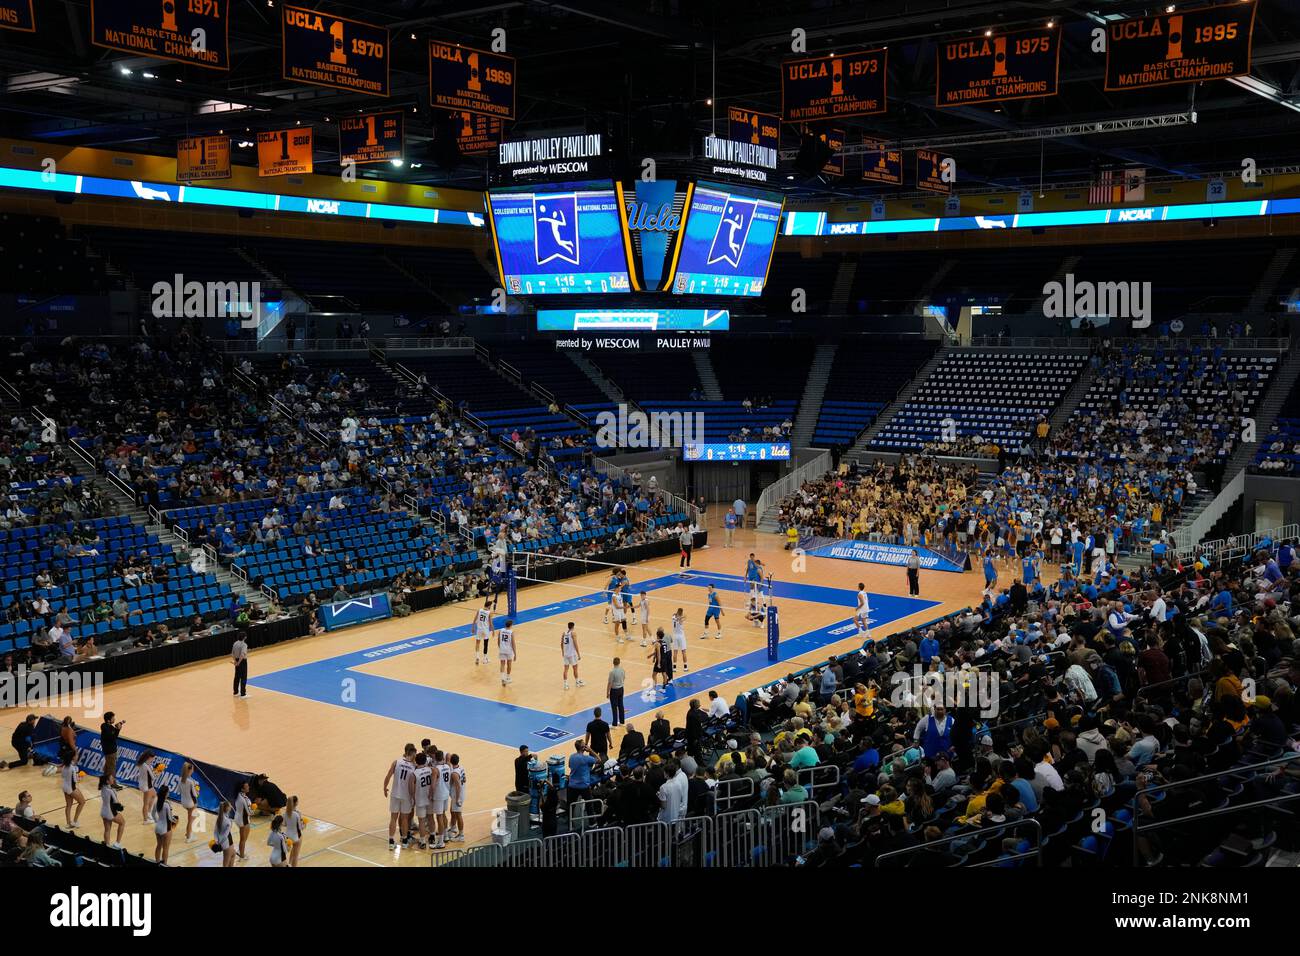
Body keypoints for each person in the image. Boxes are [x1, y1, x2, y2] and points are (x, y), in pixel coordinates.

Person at [384, 743, 417, 848]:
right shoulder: (413, 767)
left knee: (393, 818)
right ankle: (404, 841)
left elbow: (388, 775)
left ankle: (391, 841)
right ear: (412, 754)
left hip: (395, 794)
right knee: (404, 819)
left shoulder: (396, 762)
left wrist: (384, 787)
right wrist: (414, 797)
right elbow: (414, 784)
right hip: (406, 796)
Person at [99, 773, 124, 849]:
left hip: (103, 811)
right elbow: (116, 802)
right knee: (122, 822)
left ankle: (107, 846)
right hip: (110, 812)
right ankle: (117, 843)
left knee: (107, 829)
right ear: (107, 781)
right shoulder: (111, 790)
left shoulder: (103, 787)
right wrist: (121, 807)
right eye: (112, 779)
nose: (113, 779)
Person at [153, 784, 177, 864]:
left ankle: (157, 862)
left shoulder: (156, 802)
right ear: (166, 793)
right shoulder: (167, 804)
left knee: (158, 846)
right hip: (166, 829)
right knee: (166, 848)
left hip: (157, 827)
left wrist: (158, 821)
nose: (169, 793)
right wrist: (175, 820)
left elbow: (153, 814)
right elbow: (170, 818)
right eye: (168, 792)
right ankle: (165, 865)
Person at [177, 761, 200, 842]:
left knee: (190, 818)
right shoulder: (191, 781)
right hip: (191, 803)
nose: (193, 771)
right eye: (192, 769)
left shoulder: (180, 779)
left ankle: (188, 833)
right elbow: (195, 794)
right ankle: (189, 837)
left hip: (183, 802)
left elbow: (178, 791)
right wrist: (197, 790)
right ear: (190, 771)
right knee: (191, 820)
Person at [61, 759, 86, 829]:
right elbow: (75, 780)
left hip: (64, 787)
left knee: (68, 805)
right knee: (82, 802)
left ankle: (68, 823)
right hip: (71, 788)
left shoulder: (64, 766)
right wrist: (80, 777)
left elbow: (62, 776)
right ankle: (75, 821)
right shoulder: (72, 768)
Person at [448, 754, 467, 842]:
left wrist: (458, 798)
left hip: (457, 795)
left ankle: (461, 835)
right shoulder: (461, 768)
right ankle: (453, 828)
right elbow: (464, 779)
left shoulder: (454, 774)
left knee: (458, 815)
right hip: (460, 793)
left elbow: (458, 786)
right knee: (452, 811)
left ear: (451, 761)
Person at [213, 799, 237, 867]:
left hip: (225, 842)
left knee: (233, 854)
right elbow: (226, 835)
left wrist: (217, 841)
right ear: (227, 808)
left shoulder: (219, 818)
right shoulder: (228, 821)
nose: (231, 807)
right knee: (226, 863)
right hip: (227, 842)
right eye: (229, 806)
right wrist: (220, 843)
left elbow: (215, 831)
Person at [234, 778, 254, 860]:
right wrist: (253, 808)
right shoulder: (244, 799)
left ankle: (240, 851)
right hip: (243, 819)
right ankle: (241, 856)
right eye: (247, 786)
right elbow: (250, 812)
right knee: (243, 839)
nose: (248, 787)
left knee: (244, 838)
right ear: (242, 789)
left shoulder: (238, 795)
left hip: (239, 816)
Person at [561, 621, 584, 689]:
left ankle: (565, 684)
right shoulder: (573, 633)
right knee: (575, 668)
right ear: (573, 627)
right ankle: (577, 682)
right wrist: (578, 654)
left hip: (566, 654)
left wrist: (563, 652)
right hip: (572, 654)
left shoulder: (564, 633)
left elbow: (561, 644)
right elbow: (575, 644)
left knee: (566, 669)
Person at [650, 627, 673, 692]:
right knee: (664, 674)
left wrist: (659, 663)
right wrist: (651, 655)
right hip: (664, 660)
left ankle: (654, 688)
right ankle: (663, 688)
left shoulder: (657, 644)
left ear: (657, 635)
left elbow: (659, 654)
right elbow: (661, 652)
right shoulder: (664, 642)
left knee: (654, 674)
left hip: (660, 661)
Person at [473, 597, 493, 666]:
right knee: (485, 643)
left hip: (479, 629)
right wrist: (493, 630)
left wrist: (473, 627)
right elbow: (490, 623)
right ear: (489, 606)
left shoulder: (479, 610)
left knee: (477, 643)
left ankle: (477, 656)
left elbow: (475, 619)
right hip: (485, 630)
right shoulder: (489, 612)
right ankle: (484, 659)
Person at [607, 658, 627, 727]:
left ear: (613, 663)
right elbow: (624, 678)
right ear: (619, 662)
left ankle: (614, 724)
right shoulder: (622, 670)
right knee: (621, 705)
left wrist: (608, 692)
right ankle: (622, 722)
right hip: (621, 689)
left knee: (614, 707)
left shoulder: (612, 672)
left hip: (614, 690)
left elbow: (610, 683)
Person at [497, 617, 517, 686]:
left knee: (502, 664)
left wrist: (500, 648)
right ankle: (508, 678)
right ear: (511, 625)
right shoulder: (511, 632)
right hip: (509, 650)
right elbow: (513, 643)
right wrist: (515, 654)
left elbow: (498, 640)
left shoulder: (501, 630)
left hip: (502, 649)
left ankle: (503, 678)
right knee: (509, 664)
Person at [231, 631, 249, 697]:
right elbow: (242, 654)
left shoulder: (235, 643)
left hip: (237, 660)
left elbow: (232, 654)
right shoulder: (244, 645)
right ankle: (243, 694)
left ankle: (235, 692)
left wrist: (235, 661)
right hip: (242, 662)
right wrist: (239, 662)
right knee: (243, 677)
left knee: (237, 677)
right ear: (244, 637)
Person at [671, 607, 689, 671]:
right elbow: (685, 617)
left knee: (675, 652)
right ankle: (685, 667)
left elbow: (676, 617)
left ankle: (674, 667)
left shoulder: (673, 616)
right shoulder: (681, 619)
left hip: (675, 636)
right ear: (681, 613)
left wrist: (679, 616)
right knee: (683, 651)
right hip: (681, 636)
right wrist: (681, 617)